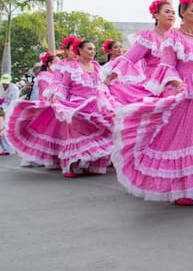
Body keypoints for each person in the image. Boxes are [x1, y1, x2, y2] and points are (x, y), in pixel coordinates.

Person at [112, 0, 193, 205]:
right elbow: (167, 65)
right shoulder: (173, 38)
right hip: (184, 90)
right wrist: (176, 83)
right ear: (183, 13)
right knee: (181, 136)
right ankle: (182, 189)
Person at [7, 39, 115, 176]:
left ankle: (89, 164)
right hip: (76, 106)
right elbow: (63, 85)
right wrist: (57, 100)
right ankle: (69, 166)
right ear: (80, 50)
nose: (93, 51)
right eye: (89, 48)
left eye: (94, 49)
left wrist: (108, 89)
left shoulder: (97, 66)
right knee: (73, 137)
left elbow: (101, 86)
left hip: (94, 105)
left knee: (95, 134)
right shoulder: (72, 67)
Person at [103, 0, 176, 104]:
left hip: (176, 83)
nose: (171, 15)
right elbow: (128, 59)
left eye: (173, 13)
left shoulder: (176, 38)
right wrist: (108, 80)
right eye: (167, 12)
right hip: (155, 85)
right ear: (156, 15)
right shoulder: (148, 38)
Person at [0, 73, 20, 156]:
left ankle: (7, 149)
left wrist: (6, 111)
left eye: (6, 83)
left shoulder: (14, 89)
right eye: (3, 83)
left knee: (6, 128)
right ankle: (1, 145)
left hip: (9, 109)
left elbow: (14, 102)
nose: (5, 85)